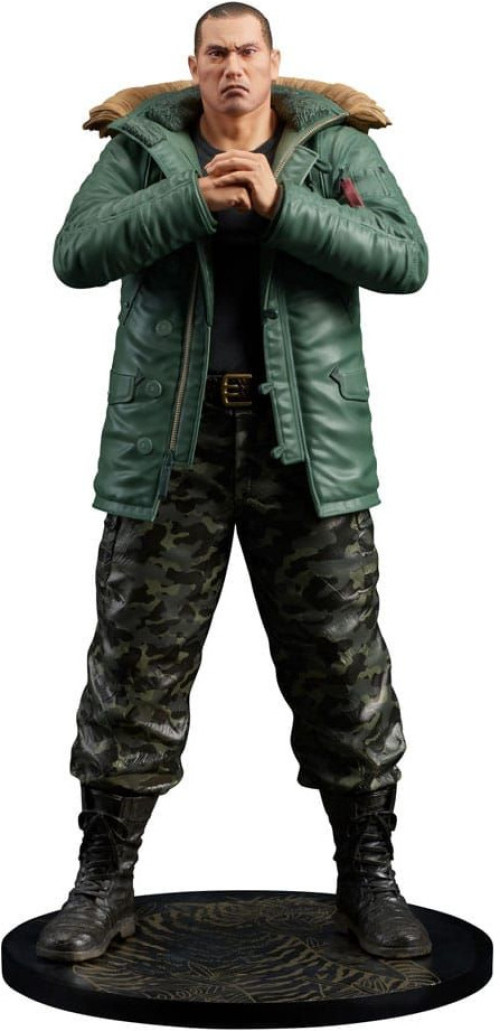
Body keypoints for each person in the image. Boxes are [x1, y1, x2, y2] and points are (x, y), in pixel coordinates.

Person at [36, 2, 432, 964]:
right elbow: (74, 255)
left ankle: (371, 876)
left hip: (311, 448)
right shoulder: (142, 148)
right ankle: (102, 881)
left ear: (273, 61)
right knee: (135, 663)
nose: (232, 68)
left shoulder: (336, 146)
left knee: (343, 663)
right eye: (215, 53)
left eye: (247, 51)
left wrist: (285, 205)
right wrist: (192, 200)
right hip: (171, 446)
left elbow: (406, 259)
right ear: (194, 66)